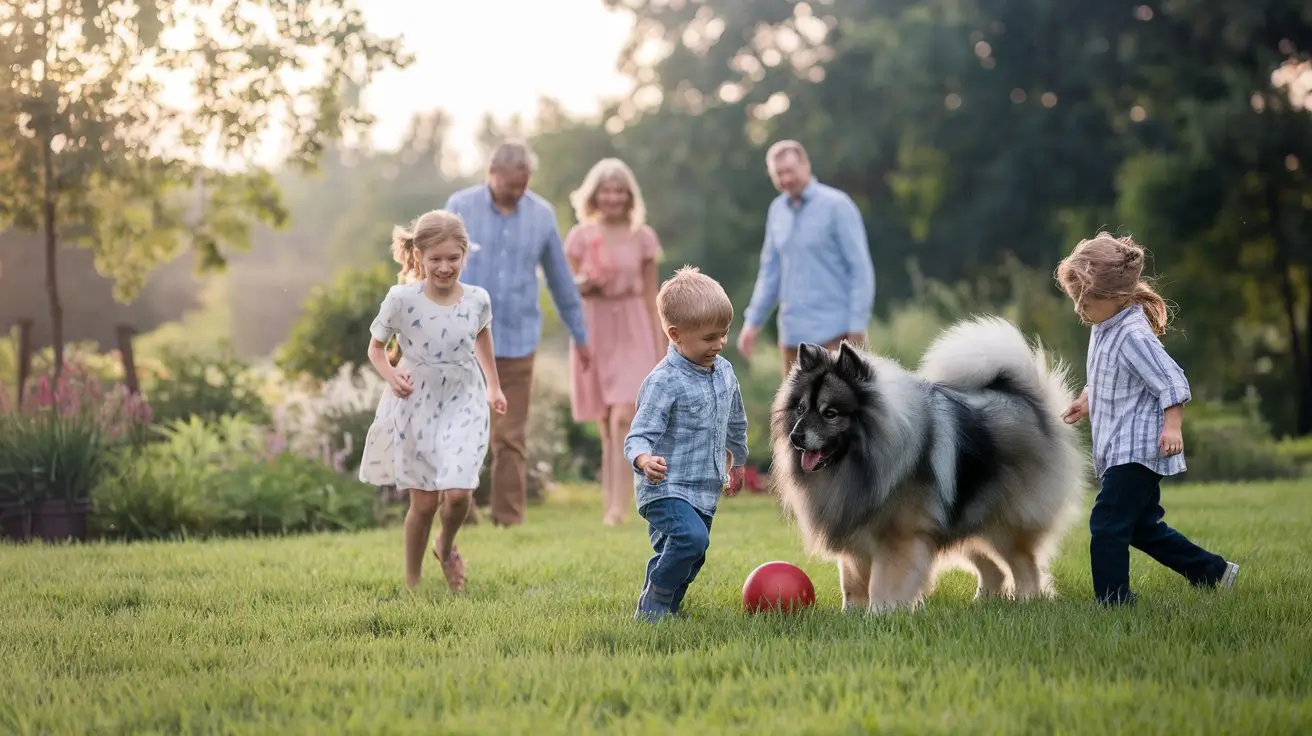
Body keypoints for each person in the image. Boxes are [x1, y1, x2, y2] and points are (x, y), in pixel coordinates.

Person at [1056, 231, 1239, 606]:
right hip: (1120, 446)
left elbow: (1172, 381)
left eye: (1087, 299)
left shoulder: (1133, 334)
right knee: (1141, 528)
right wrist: (1088, 398)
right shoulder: (1104, 327)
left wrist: (1173, 427)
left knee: (1106, 523)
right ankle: (1214, 573)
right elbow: (1111, 377)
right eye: (1077, 299)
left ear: (1117, 297)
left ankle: (1114, 600)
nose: (1079, 308)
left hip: (1136, 450)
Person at [358, 209, 508, 591]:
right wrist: (392, 376)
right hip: (416, 401)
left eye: (452, 258)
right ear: (419, 257)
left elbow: (483, 337)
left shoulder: (477, 299)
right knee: (423, 504)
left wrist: (494, 385)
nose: (444, 267)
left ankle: (445, 542)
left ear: (464, 255)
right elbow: (376, 350)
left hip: (464, 398)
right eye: (435, 259)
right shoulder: (402, 299)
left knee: (458, 494)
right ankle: (412, 584)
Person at [444, 141, 592, 527]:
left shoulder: (541, 215)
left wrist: (581, 334)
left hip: (518, 338)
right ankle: (463, 514)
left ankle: (508, 519)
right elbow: (434, 266)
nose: (517, 192)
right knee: (463, 428)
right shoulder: (460, 206)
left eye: (523, 184)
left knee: (510, 435)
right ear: (491, 173)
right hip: (464, 339)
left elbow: (561, 280)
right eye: (510, 184)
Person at [624, 266, 749, 622]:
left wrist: (737, 460)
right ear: (676, 334)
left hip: (704, 488)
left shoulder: (724, 371)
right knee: (692, 540)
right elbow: (638, 434)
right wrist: (643, 459)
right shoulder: (663, 381)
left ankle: (667, 607)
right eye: (710, 337)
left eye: (724, 334)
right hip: (665, 487)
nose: (720, 344)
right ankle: (654, 606)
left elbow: (735, 420)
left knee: (691, 553)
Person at [564, 158, 666, 526]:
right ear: (595, 194)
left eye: (619, 190)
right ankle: (612, 501)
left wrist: (661, 345)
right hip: (593, 325)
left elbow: (652, 294)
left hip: (634, 324)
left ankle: (622, 507)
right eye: (606, 190)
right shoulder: (579, 236)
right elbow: (565, 288)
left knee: (626, 414)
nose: (612, 197)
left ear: (628, 195)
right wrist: (584, 284)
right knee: (607, 422)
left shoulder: (643, 237)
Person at [738, 139, 876, 376]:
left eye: (789, 171)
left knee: (842, 411)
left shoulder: (837, 206)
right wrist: (753, 322)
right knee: (793, 413)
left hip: (837, 335)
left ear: (806, 166)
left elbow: (860, 270)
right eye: (778, 174)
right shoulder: (776, 211)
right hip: (793, 338)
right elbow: (770, 273)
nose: (785, 180)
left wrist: (857, 328)